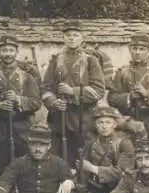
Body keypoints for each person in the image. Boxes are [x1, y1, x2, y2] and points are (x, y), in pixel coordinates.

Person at [41, 20, 106, 166]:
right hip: (60, 117)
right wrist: (53, 102)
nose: (71, 38)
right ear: (63, 38)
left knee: (83, 156)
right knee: (59, 157)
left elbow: (99, 90)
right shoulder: (56, 60)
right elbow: (46, 88)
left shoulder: (91, 60)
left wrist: (74, 91)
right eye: (68, 35)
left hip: (83, 117)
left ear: (82, 38)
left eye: (75, 35)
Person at [0, 35, 42, 176]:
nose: (7, 54)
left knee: (24, 168)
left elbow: (36, 102)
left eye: (11, 50)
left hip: (22, 128)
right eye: (4, 50)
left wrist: (19, 100)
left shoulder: (27, 75)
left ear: (16, 52)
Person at [77, 105, 135, 193]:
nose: (104, 126)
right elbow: (83, 166)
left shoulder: (124, 143)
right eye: (100, 122)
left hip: (119, 191)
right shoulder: (92, 143)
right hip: (98, 189)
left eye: (108, 122)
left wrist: (94, 169)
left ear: (115, 124)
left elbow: (123, 172)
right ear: (95, 125)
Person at [107, 32, 149, 143]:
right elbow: (111, 98)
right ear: (130, 49)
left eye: (142, 49)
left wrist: (147, 93)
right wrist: (129, 97)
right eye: (135, 48)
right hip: (128, 119)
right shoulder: (122, 72)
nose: (138, 52)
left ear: (148, 51)